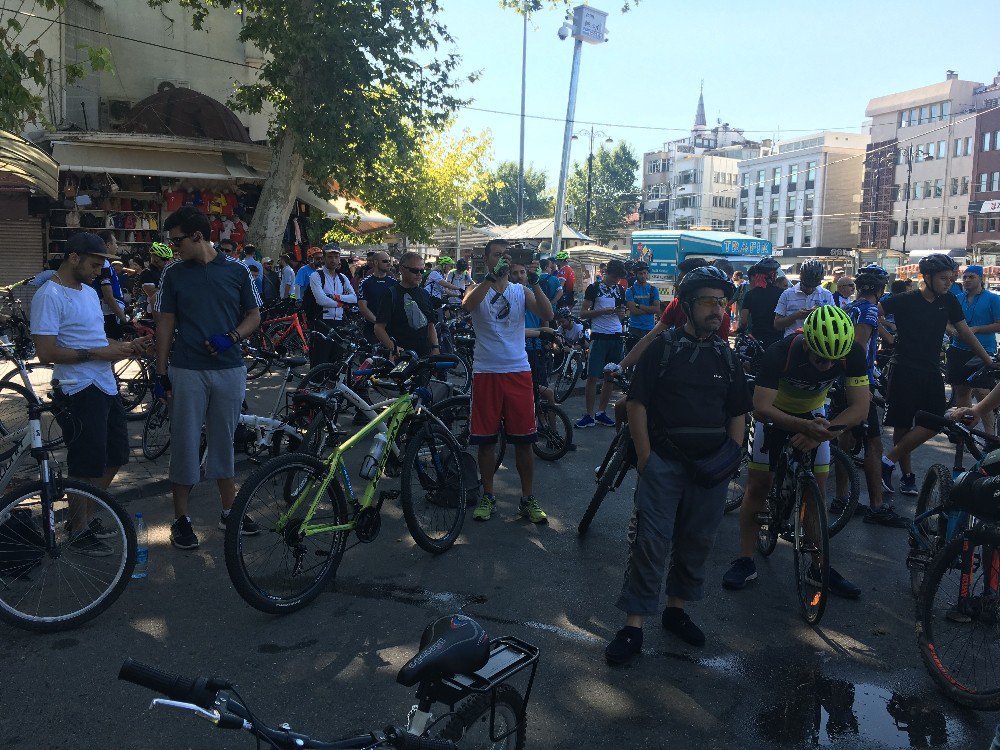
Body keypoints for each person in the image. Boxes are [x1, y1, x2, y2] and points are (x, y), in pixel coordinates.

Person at [604, 266, 751, 666]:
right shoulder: (662, 348)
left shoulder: (726, 355)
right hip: (664, 465)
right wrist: (647, 456)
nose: (717, 310)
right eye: (708, 301)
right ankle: (633, 626)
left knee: (696, 541)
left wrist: (732, 454)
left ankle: (676, 611)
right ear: (686, 305)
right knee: (651, 542)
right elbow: (637, 403)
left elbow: (738, 410)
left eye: (721, 303)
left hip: (711, 471)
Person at [722, 305, 867, 599]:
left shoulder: (852, 353)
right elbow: (761, 407)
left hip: (815, 416)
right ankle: (746, 558)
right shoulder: (781, 351)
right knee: (758, 488)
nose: (826, 366)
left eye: (832, 360)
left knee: (817, 494)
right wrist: (805, 427)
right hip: (775, 415)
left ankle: (818, 566)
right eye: (819, 358)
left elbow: (860, 407)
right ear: (807, 342)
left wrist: (823, 432)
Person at [30, 232, 152, 556]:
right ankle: (79, 528)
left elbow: (96, 341)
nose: (99, 271)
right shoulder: (49, 294)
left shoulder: (87, 292)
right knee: (85, 464)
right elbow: (45, 352)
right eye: (95, 264)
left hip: (105, 384)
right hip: (76, 389)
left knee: (116, 456)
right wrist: (99, 354)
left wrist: (124, 348)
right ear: (74, 258)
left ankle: (82, 517)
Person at [154, 207, 262, 550]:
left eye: (177, 241)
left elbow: (255, 315)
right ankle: (181, 519)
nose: (174, 249)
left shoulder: (238, 270)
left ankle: (229, 511)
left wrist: (232, 337)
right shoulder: (173, 274)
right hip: (187, 369)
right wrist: (160, 373)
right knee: (184, 441)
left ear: (198, 236)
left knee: (224, 440)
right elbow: (165, 323)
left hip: (229, 368)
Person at [880, 254, 996, 496]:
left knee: (935, 422)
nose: (949, 283)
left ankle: (887, 460)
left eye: (951, 278)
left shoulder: (949, 300)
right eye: (944, 278)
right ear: (927, 277)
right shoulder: (904, 299)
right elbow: (873, 313)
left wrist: (989, 361)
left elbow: (964, 332)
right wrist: (888, 334)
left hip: (931, 369)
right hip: (903, 368)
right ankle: (907, 476)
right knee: (902, 424)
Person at [462, 239, 553, 524]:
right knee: (486, 441)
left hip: (518, 372)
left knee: (524, 441)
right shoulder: (477, 288)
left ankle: (527, 499)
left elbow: (548, 315)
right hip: (487, 372)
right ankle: (488, 495)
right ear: (487, 260)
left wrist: (536, 282)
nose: (502, 260)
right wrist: (490, 279)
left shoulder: (520, 290)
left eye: (506, 256)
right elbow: (467, 305)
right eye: (497, 255)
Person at [842, 264, 906, 527]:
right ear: (881, 289)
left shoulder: (851, 306)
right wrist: (864, 386)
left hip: (842, 378)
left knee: (845, 437)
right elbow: (858, 346)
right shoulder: (868, 309)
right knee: (874, 444)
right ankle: (876, 505)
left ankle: (842, 497)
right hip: (858, 379)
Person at [945, 264, 1000, 435]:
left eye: (971, 277)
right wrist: (952, 330)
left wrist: (975, 330)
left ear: (980, 279)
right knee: (962, 391)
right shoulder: (957, 298)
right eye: (965, 277)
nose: (967, 280)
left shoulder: (993, 299)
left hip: (984, 350)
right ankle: (964, 428)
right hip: (958, 349)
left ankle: (989, 435)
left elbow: (998, 325)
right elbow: (946, 321)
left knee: (983, 393)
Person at [575, 259, 627, 429]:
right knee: (592, 377)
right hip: (599, 336)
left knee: (609, 376)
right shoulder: (594, 288)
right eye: (614, 277)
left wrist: (620, 313)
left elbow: (621, 314)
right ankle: (589, 414)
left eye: (618, 278)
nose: (615, 281)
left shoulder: (620, 290)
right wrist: (602, 311)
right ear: (606, 273)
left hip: (616, 335)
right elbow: (583, 313)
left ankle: (601, 412)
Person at [374, 251, 439, 358]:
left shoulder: (424, 293)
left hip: (424, 357)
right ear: (402, 269)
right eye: (414, 270)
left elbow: (430, 325)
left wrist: (435, 347)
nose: (419, 274)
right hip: (401, 358)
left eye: (421, 270)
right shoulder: (391, 294)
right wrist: (393, 347)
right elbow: (379, 327)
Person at [773, 260, 835, 338]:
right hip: (792, 340)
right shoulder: (787, 294)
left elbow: (833, 322)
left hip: (818, 340)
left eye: (813, 287)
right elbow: (777, 325)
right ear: (801, 278)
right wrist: (795, 316)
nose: (810, 290)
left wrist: (819, 314)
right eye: (807, 286)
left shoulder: (826, 294)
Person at [737, 257, 784, 350]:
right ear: (772, 275)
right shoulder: (782, 293)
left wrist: (740, 330)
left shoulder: (749, 295)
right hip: (778, 340)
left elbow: (743, 321)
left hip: (757, 340)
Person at [308, 246, 358, 332]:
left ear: (339, 259)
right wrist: (341, 304)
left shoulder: (342, 278)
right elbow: (321, 300)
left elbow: (354, 298)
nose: (333, 260)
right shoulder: (316, 276)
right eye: (330, 257)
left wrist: (336, 297)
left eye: (336, 257)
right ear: (324, 258)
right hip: (321, 322)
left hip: (340, 321)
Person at [93, 230, 130, 338]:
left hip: (109, 313)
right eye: (115, 243)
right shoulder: (103, 264)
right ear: (107, 245)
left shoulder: (105, 262)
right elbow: (108, 297)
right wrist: (123, 318)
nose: (117, 246)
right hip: (108, 315)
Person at [358, 251, 397, 344]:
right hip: (371, 330)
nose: (388, 264)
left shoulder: (394, 283)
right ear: (375, 262)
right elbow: (363, 308)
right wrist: (379, 324)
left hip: (391, 330)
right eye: (385, 261)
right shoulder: (365, 283)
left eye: (389, 261)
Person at [624, 261, 659, 354]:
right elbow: (633, 311)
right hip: (635, 328)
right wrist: (649, 310)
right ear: (636, 274)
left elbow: (657, 309)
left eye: (645, 273)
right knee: (632, 358)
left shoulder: (653, 289)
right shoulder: (630, 291)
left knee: (648, 357)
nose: (643, 276)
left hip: (649, 328)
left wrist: (640, 306)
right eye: (640, 273)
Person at [138, 242, 173, 316]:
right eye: (165, 259)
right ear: (155, 258)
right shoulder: (147, 273)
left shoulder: (165, 271)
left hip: (167, 312)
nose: (167, 261)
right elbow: (152, 293)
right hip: (153, 314)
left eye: (168, 259)